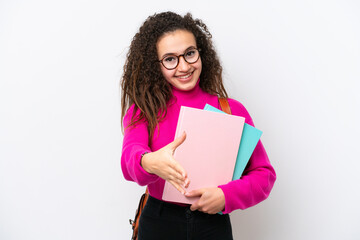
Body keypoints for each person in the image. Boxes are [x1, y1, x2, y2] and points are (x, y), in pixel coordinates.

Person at [120, 11, 276, 240]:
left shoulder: (231, 110)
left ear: (201, 53)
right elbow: (128, 159)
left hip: (212, 224)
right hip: (159, 222)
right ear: (155, 66)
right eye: (170, 59)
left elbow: (264, 175)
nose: (183, 66)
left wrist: (226, 196)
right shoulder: (144, 110)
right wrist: (149, 161)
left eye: (190, 54)